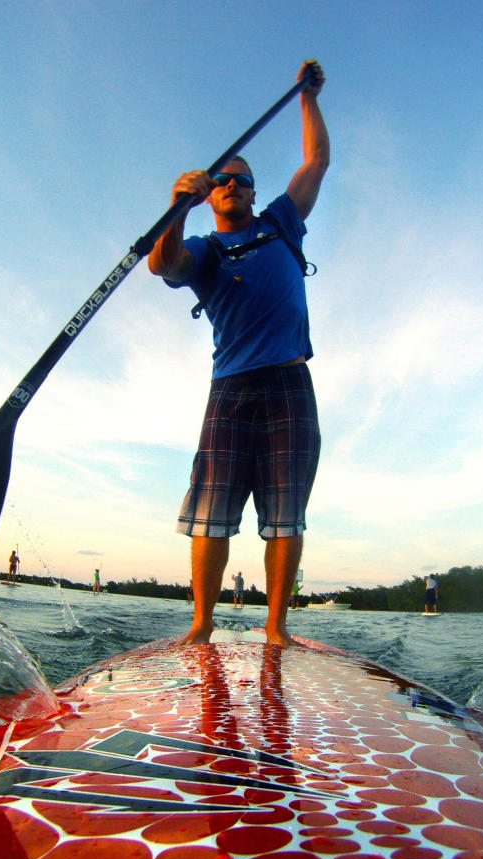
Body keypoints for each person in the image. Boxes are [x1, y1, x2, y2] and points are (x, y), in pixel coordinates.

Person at [149, 60, 329, 647]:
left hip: (289, 383)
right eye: (222, 180)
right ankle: (201, 625)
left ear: (254, 192)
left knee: (285, 513)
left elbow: (315, 163)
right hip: (231, 389)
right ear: (210, 196)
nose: (231, 184)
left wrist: (308, 97)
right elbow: (163, 264)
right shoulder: (202, 246)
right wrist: (176, 208)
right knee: (212, 509)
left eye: (242, 179)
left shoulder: (280, 221)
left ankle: (276, 628)